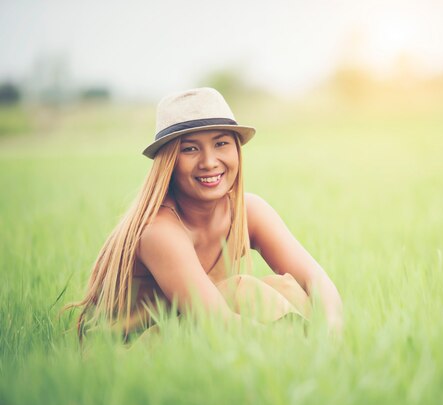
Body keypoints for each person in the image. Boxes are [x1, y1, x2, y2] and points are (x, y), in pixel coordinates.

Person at [67, 87, 343, 339]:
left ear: (237, 149)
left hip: (192, 335)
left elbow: (316, 281)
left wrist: (331, 331)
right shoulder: (158, 231)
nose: (209, 162)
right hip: (130, 354)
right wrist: (298, 347)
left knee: (288, 289)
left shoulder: (249, 210)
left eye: (221, 144)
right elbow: (215, 322)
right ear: (169, 163)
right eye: (190, 149)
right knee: (244, 290)